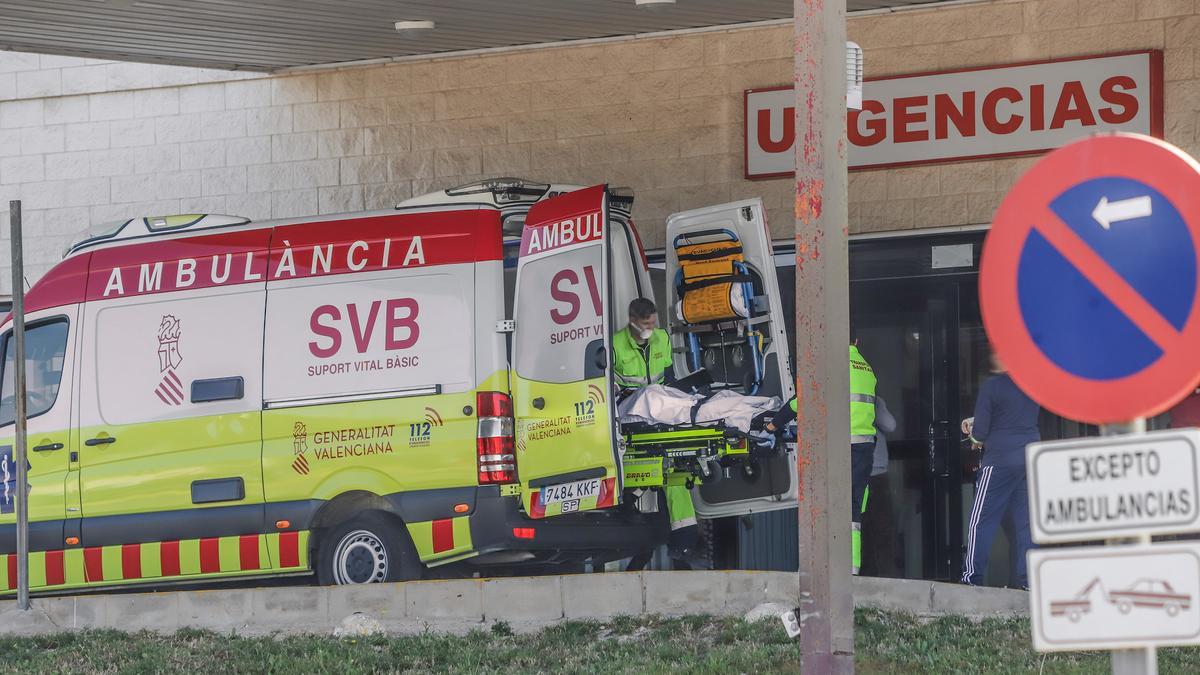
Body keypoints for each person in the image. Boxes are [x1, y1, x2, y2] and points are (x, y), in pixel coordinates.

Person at [768, 325, 877, 574]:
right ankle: (851, 569)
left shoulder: (831, 366)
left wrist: (774, 423)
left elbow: (801, 401)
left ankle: (815, 568)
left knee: (822, 505)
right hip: (863, 448)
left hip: (836, 447)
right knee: (852, 509)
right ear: (856, 341)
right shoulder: (867, 369)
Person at [614, 298, 700, 568]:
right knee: (661, 476)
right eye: (646, 324)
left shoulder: (662, 338)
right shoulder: (615, 346)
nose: (652, 328)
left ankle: (682, 545)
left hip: (659, 407)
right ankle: (655, 539)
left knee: (672, 476)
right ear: (633, 322)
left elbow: (669, 376)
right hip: (631, 407)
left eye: (653, 322)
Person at [960, 350, 1039, 588]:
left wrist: (971, 435)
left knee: (980, 520)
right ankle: (1029, 581)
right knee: (1026, 523)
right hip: (1028, 457)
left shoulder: (991, 387)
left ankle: (971, 578)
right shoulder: (1030, 384)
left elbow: (981, 433)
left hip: (1000, 461)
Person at [861, 395, 896, 577]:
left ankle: (874, 573)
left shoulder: (874, 401)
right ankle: (878, 574)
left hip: (864, 472)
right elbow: (890, 425)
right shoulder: (873, 401)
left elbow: (890, 425)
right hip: (874, 474)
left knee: (868, 528)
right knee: (879, 528)